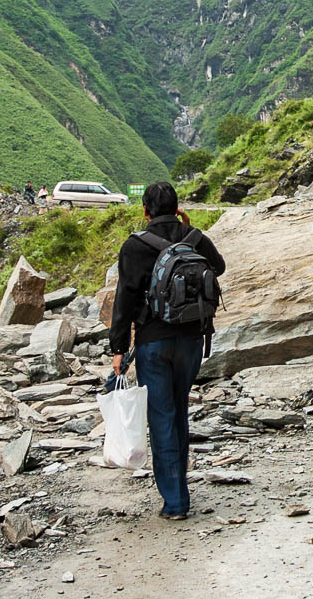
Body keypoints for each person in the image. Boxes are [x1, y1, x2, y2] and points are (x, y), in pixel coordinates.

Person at [109, 181, 225, 520]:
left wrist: (119, 348)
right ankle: (180, 489)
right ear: (177, 208)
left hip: (152, 342)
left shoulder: (135, 246)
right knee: (178, 411)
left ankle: (175, 502)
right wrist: (187, 236)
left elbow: (125, 300)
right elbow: (217, 268)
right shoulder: (196, 239)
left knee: (162, 416)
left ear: (145, 210)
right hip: (191, 340)